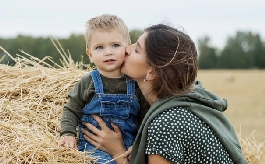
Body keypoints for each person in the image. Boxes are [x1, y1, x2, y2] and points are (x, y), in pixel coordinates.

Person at [81, 23, 248, 164]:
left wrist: (117, 151)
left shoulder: (165, 123)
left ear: (152, 72)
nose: (127, 49)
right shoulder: (191, 100)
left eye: (137, 49)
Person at [58, 14, 149, 164]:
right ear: (90, 54)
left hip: (129, 147)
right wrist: (68, 134)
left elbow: (145, 117)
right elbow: (71, 109)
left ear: (127, 46)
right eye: (99, 47)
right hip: (93, 149)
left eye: (115, 45)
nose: (108, 52)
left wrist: (139, 144)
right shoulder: (88, 82)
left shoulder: (135, 83)